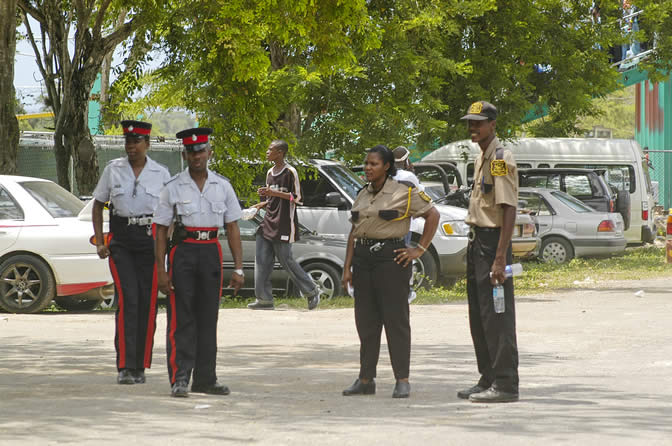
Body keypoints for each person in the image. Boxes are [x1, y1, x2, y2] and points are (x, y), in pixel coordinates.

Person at [341, 145, 439, 399]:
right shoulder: (362, 194)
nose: (368, 168)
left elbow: (433, 215)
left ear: (387, 166)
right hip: (363, 260)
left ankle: (402, 379)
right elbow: (355, 231)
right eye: (366, 163)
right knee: (366, 321)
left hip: (391, 259)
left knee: (396, 320)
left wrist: (419, 249)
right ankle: (365, 379)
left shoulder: (403, 192)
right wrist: (347, 268)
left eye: (373, 164)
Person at [153, 127, 244, 398]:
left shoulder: (223, 186)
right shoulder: (173, 187)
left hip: (210, 252)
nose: (197, 156)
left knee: (208, 318)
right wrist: (161, 270)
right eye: (191, 152)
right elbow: (160, 229)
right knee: (182, 318)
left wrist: (239, 268)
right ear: (185, 154)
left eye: (201, 151)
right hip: (184, 251)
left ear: (209, 153)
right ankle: (180, 378)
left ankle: (206, 379)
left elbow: (233, 227)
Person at [92, 120, 171, 385]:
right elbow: (98, 205)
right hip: (122, 241)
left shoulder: (161, 173)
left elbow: (169, 213)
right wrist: (101, 241)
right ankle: (125, 365)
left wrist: (166, 244)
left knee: (147, 303)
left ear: (147, 144)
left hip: (149, 240)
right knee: (128, 300)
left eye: (136, 142)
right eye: (128, 142)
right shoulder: (113, 169)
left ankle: (141, 366)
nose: (131, 146)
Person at [457, 101, 520, 403]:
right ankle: (488, 377)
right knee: (479, 315)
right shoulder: (482, 156)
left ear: (492, 125)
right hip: (477, 243)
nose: (473, 127)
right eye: (470, 122)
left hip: (493, 244)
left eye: (479, 123)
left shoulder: (499, 158)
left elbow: (508, 209)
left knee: (497, 316)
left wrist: (499, 257)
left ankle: (506, 384)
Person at [247, 140, 321, 311]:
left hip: (284, 223)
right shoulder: (269, 172)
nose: (267, 152)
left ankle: (311, 291)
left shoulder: (290, 172)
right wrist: (262, 203)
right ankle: (264, 300)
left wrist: (274, 192)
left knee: (286, 259)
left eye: (270, 149)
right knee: (262, 260)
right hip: (268, 221)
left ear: (280, 152)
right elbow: (271, 198)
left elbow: (297, 198)